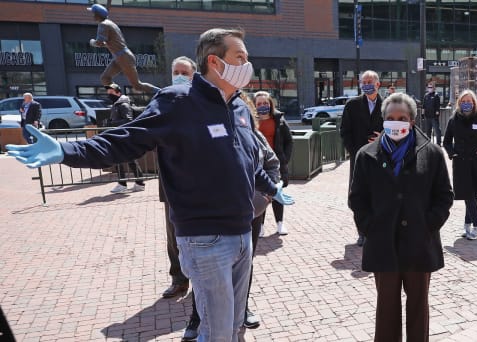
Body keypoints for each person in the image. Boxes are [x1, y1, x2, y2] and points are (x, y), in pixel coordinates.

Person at [7, 28, 294, 342]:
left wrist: (271, 187)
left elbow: (248, 161)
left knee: (234, 326)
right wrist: (66, 151)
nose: (247, 64)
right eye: (240, 57)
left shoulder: (239, 107)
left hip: (242, 234)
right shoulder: (178, 102)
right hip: (206, 240)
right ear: (215, 61)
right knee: (217, 333)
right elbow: (126, 140)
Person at [349, 92, 454, 342]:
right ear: (383, 121)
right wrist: (369, 227)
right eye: (391, 118)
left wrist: (428, 224)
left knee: (419, 308)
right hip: (382, 244)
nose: (396, 122)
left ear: (412, 121)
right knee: (386, 309)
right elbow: (357, 198)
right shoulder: (367, 155)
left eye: (402, 118)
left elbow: (444, 196)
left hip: (420, 244)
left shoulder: (432, 153)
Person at [181, 94, 281, 341]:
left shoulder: (254, 138)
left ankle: (242, 310)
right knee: (208, 279)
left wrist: (264, 199)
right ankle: (197, 318)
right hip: (211, 222)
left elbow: (270, 165)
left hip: (249, 216)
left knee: (240, 272)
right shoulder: (205, 134)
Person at [161, 56, 197, 299]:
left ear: (194, 75)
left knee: (201, 235)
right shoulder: (164, 101)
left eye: (184, 71)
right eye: (176, 71)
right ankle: (179, 280)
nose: (180, 75)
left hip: (199, 183)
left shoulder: (200, 101)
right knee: (174, 234)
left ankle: (203, 284)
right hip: (171, 183)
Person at [340, 70, 384, 247]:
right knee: (359, 195)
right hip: (359, 158)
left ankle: (379, 230)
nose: (366, 85)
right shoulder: (352, 105)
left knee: (380, 195)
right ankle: (362, 232)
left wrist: (382, 138)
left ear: (377, 84)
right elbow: (345, 132)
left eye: (370, 81)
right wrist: (354, 152)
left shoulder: (388, 104)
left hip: (382, 158)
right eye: (363, 82)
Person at [87, 4, 160, 94]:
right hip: (120, 57)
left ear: (97, 15)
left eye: (93, 13)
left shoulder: (103, 24)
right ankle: (119, 98)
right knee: (105, 78)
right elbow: (109, 43)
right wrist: (104, 44)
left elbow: (99, 43)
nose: (92, 15)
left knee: (137, 85)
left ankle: (162, 92)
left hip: (123, 57)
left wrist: (92, 42)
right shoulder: (110, 23)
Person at [254, 91, 293, 236]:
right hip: (258, 164)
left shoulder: (279, 120)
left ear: (270, 104)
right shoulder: (251, 120)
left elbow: (289, 141)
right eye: (259, 104)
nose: (263, 106)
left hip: (275, 164)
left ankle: (280, 224)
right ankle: (260, 226)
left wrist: (285, 158)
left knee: (277, 193)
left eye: (265, 103)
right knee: (260, 194)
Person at [443, 89, 477, 240]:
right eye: (463, 102)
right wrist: (453, 153)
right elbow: (446, 141)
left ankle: (467, 226)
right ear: (459, 103)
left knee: (474, 195)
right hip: (461, 163)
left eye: (469, 101)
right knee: (468, 195)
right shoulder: (454, 120)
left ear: (474, 103)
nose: (466, 104)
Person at [105, 83, 145, 194]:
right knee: (130, 159)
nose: (109, 95)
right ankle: (139, 183)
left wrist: (112, 123)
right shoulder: (117, 104)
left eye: (111, 93)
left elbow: (128, 120)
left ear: (119, 93)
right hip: (121, 135)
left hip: (123, 136)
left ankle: (122, 184)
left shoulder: (123, 105)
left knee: (119, 159)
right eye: (108, 93)